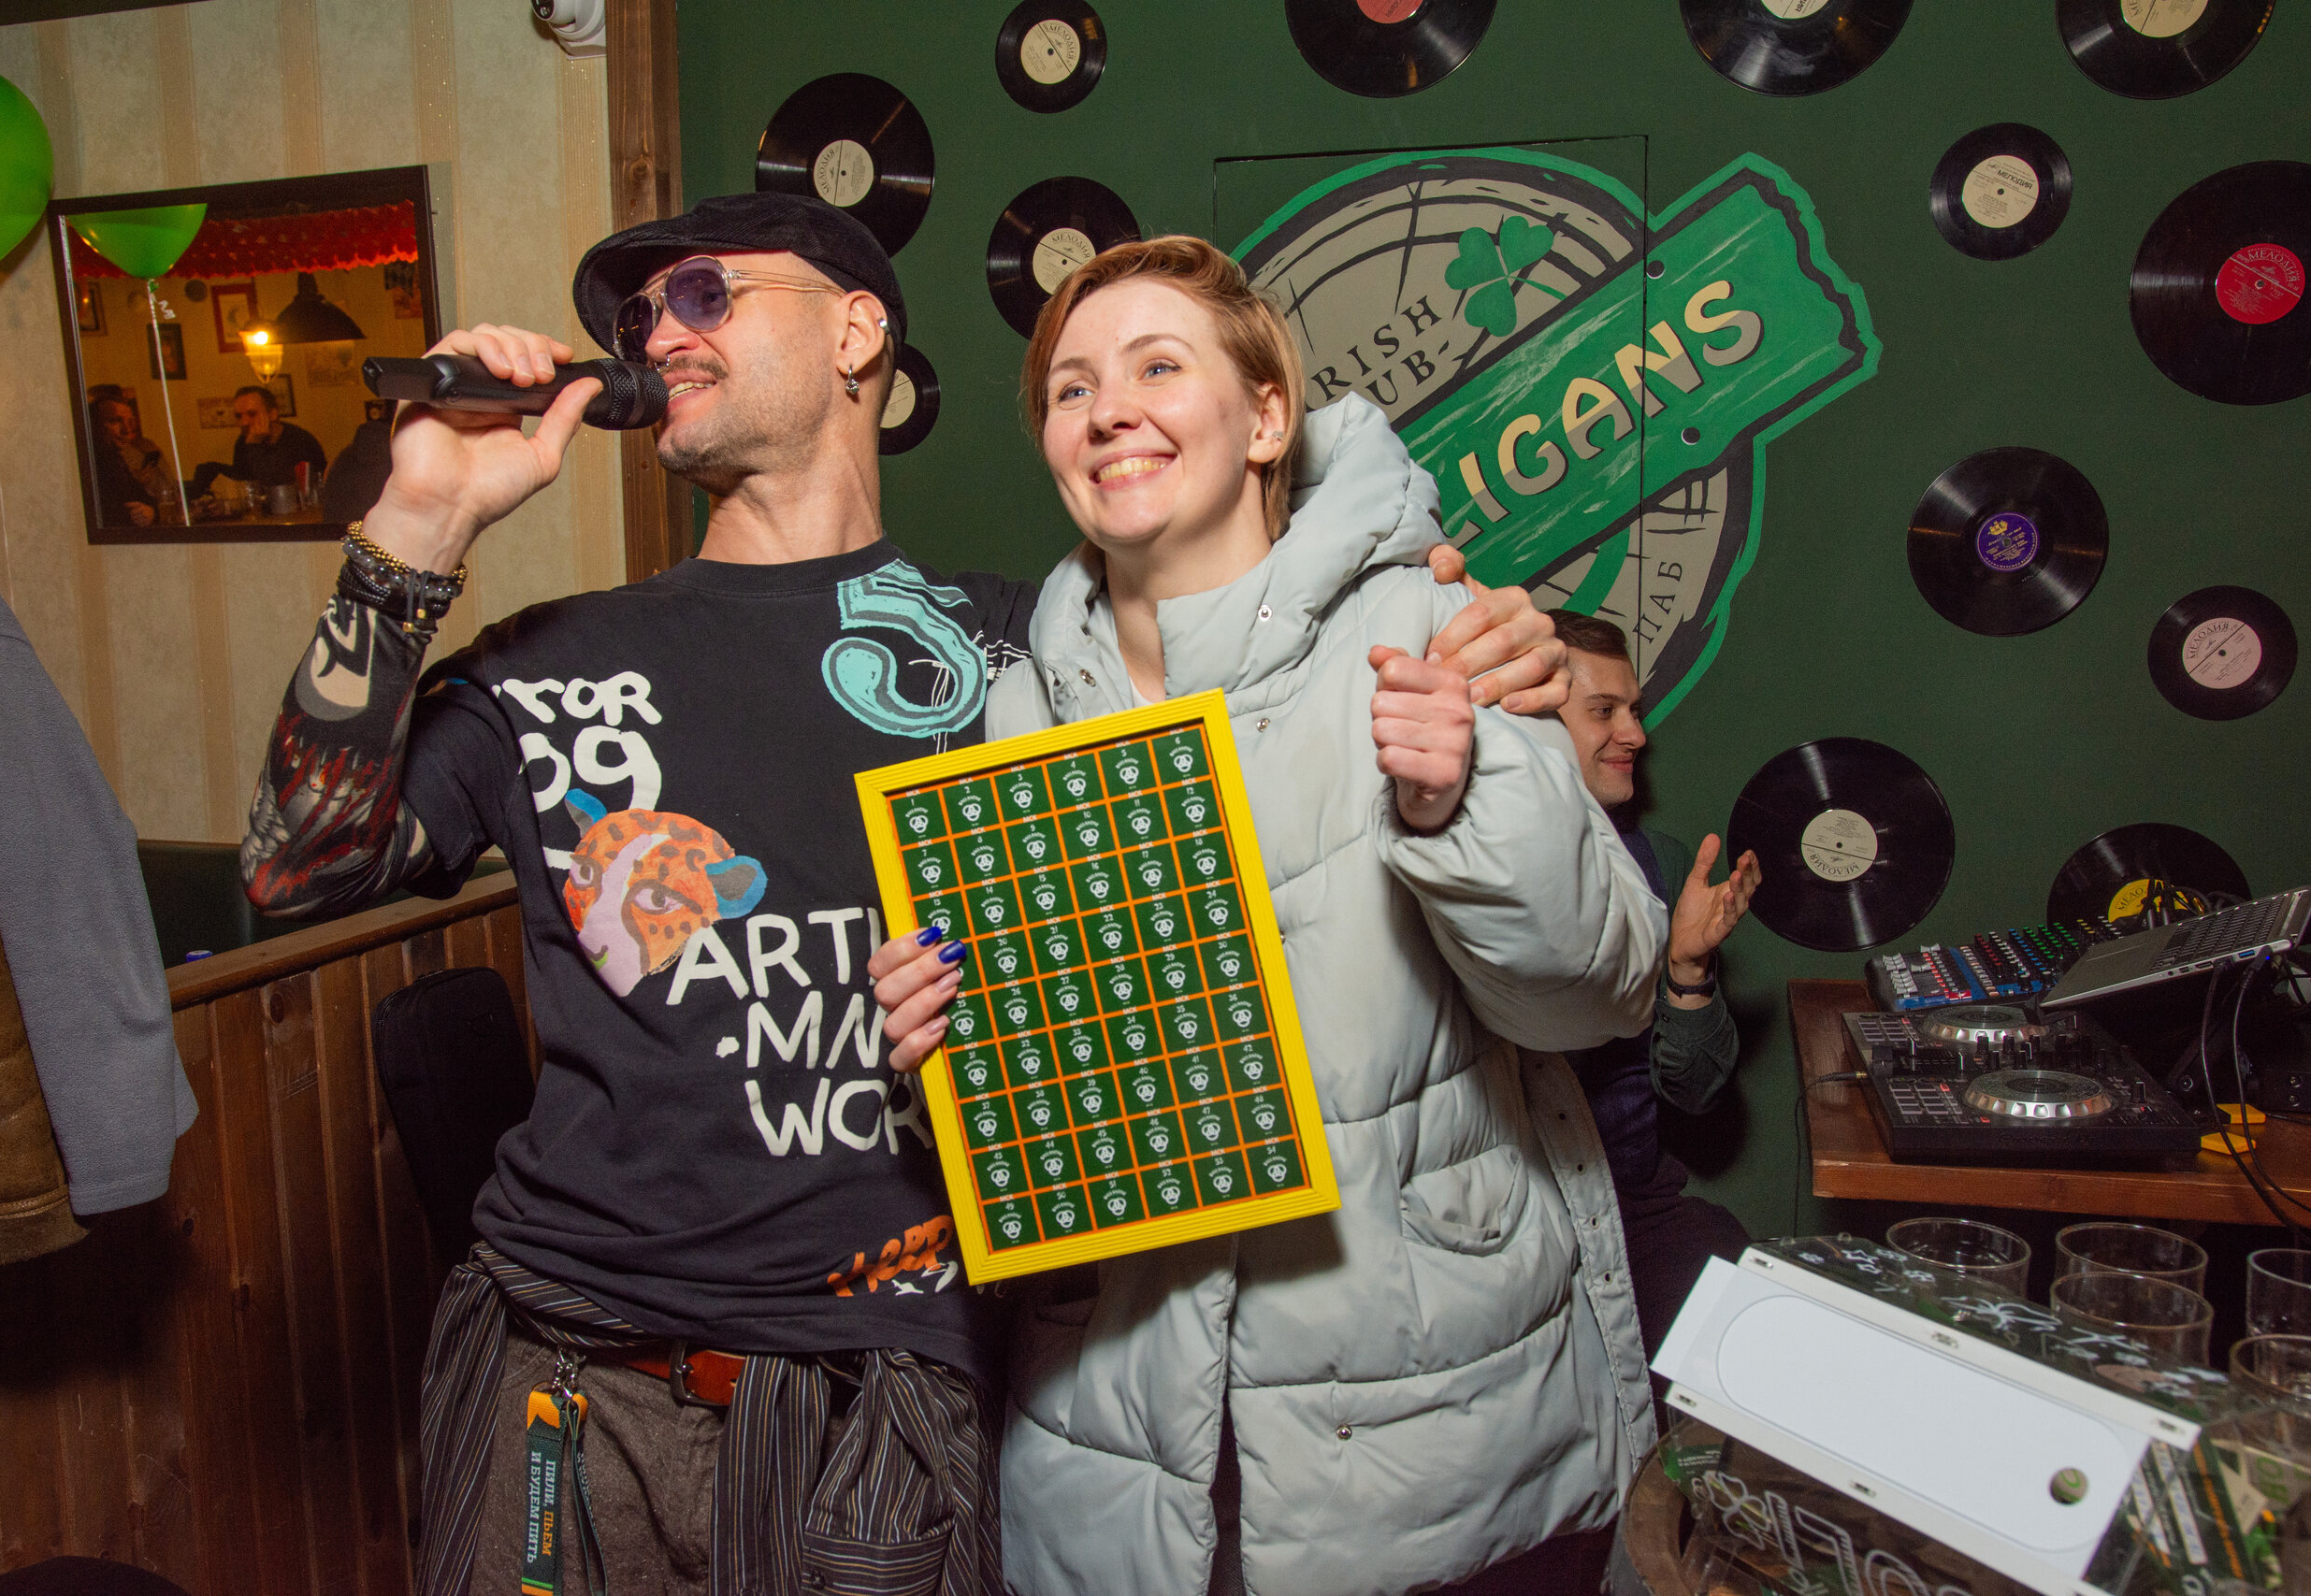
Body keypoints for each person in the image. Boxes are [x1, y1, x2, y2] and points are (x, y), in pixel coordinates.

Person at [238, 194, 1570, 1595]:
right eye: (638, 317)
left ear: (856, 333)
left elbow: (1272, 659)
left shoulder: (1029, 659)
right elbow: (296, 867)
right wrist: (422, 517)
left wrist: (1475, 644)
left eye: (705, 293)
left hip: (878, 1396)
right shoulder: (547, 665)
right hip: (563, 1376)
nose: (658, 334)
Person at [871, 237, 1666, 1596]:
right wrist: (944, 1057)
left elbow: (1597, 993)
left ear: (1265, 419)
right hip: (1120, 1445)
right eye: (1070, 388)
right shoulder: (1016, 713)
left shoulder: (1433, 623)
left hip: (1430, 1437)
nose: (1107, 411)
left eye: (1157, 367)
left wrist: (1465, 798)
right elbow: (1051, 1129)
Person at [1549, 609, 1761, 1368]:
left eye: (1633, 710)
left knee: (1733, 1305)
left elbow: (1697, 1094)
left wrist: (1688, 969)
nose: (1635, 734)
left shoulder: (1663, 866)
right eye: (1603, 711)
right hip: (1513, 1218)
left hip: (1629, 1202)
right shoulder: (1459, 873)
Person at [207, 384, 326, 493]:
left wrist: (255, 446)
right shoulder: (243, 442)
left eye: (252, 414)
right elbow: (244, 486)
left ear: (272, 414)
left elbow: (278, 488)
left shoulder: (299, 440)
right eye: (238, 416)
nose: (244, 422)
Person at [87, 395, 170, 528]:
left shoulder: (115, 458)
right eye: (115, 421)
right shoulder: (89, 462)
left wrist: (151, 512)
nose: (127, 430)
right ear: (96, 425)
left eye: (130, 422)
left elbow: (145, 499)